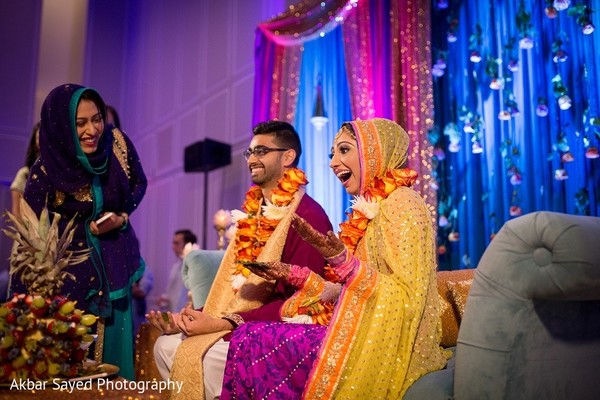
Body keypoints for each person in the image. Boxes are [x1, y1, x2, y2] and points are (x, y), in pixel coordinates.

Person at [221, 118, 450, 399]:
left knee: (251, 338)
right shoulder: (371, 208)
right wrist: (292, 273)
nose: (332, 162)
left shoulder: (404, 204)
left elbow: (405, 298)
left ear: (374, 151)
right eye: (332, 154)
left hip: (387, 340)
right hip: (358, 325)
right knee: (250, 336)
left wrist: (342, 260)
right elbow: (351, 291)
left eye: (344, 150)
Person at [146, 120, 333, 399]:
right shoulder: (254, 213)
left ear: (288, 157)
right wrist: (196, 317)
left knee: (191, 353)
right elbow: (231, 287)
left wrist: (225, 323)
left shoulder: (307, 217)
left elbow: (304, 303)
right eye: (250, 153)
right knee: (165, 344)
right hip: (244, 322)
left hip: (278, 331)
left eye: (260, 151)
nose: (252, 160)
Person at [11, 83, 148, 380]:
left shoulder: (117, 143)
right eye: (80, 123)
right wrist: (20, 307)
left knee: (115, 360)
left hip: (116, 261)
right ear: (62, 126)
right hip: (71, 276)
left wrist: (122, 217)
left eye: (96, 119)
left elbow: (140, 184)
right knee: (74, 365)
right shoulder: (45, 168)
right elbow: (28, 234)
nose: (92, 130)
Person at [157, 229, 199, 312]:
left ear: (188, 245)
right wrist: (165, 298)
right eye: (173, 243)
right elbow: (172, 291)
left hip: (188, 313)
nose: (173, 247)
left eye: (177, 243)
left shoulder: (196, 266)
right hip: (173, 313)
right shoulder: (176, 266)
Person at [9, 122, 40, 218]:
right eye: (40, 138)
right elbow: (16, 212)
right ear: (35, 143)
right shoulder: (24, 174)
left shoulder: (59, 174)